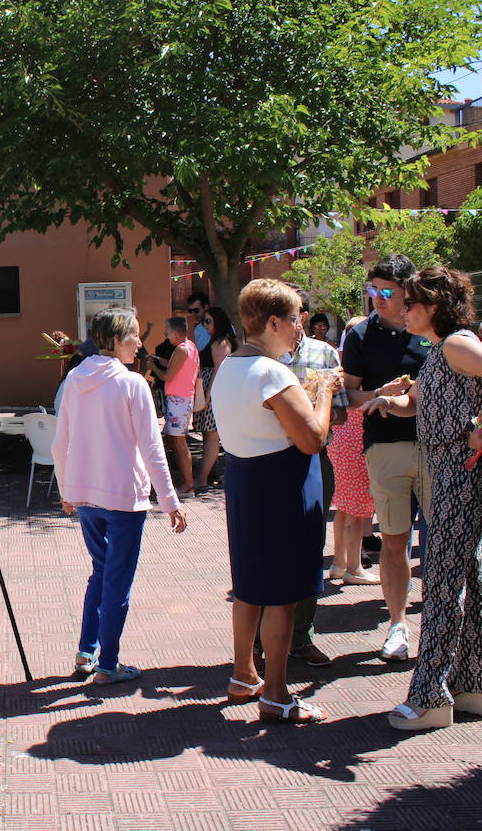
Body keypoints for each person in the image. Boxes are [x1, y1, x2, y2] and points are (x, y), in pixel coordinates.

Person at [363, 266, 482, 730]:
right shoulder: (440, 350)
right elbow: (423, 404)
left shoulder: (455, 342)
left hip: (461, 473)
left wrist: (479, 427)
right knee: (464, 579)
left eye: (409, 302)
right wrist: (392, 401)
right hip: (449, 471)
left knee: (443, 583)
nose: (403, 310)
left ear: (433, 307)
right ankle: (473, 688)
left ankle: (430, 695)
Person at [211, 280, 339, 723]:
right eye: (294, 318)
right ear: (272, 322)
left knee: (249, 587)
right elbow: (312, 439)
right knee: (282, 595)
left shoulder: (227, 366)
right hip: (282, 486)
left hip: (246, 483)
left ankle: (244, 675)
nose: (299, 326)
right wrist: (324, 392)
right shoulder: (272, 371)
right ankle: (278, 693)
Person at [53, 307, 187, 685]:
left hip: (86, 497)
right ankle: (108, 664)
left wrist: (67, 488)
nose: (140, 343)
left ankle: (87, 650)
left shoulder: (77, 378)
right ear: (114, 340)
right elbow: (151, 446)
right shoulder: (132, 384)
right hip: (123, 498)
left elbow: (61, 440)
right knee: (117, 580)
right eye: (133, 336)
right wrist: (170, 500)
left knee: (101, 571)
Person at [340, 254, 430, 663]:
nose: (377, 297)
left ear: (407, 291)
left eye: (386, 291)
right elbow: (349, 397)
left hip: (437, 447)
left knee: (447, 541)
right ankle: (398, 626)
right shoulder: (360, 335)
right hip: (385, 448)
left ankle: (458, 625)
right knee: (395, 542)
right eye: (372, 290)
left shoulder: (432, 329)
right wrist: (378, 395)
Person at [277, 288, 348, 667]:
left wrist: (314, 410)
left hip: (313, 461)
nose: (291, 319)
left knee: (309, 549)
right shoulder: (261, 357)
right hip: (270, 459)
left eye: (294, 311)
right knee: (271, 549)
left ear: (303, 314)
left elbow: (341, 415)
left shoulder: (325, 353)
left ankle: (301, 636)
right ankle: (262, 638)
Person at [328, 313, 379, 585]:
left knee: (345, 507)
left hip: (342, 436)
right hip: (355, 437)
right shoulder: (358, 364)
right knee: (358, 508)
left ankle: (339, 563)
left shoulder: (342, 362)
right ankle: (354, 566)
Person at [147, 316, 200, 494]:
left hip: (179, 399)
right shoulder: (190, 346)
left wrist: (152, 367)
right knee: (177, 441)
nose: (166, 335)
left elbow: (167, 376)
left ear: (176, 333)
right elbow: (172, 365)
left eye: (168, 332)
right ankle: (186, 482)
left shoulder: (181, 350)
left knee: (179, 442)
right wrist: (156, 359)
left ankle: (187, 484)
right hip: (182, 399)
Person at [193, 305, 239, 490]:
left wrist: (207, 396)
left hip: (215, 395)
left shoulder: (221, 343)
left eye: (208, 321)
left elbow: (218, 371)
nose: (204, 325)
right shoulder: (219, 340)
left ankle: (202, 479)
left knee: (212, 438)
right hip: (214, 394)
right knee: (208, 437)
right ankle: (207, 476)